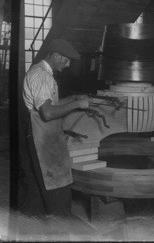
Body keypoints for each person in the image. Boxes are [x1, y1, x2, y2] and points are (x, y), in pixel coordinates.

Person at [20, 39, 91, 221]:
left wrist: (74, 97)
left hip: (45, 140)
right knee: (58, 199)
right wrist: (76, 104)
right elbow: (48, 112)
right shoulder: (42, 76)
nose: (67, 65)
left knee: (36, 196)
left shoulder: (41, 72)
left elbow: (51, 104)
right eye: (66, 60)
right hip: (43, 144)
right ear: (56, 55)